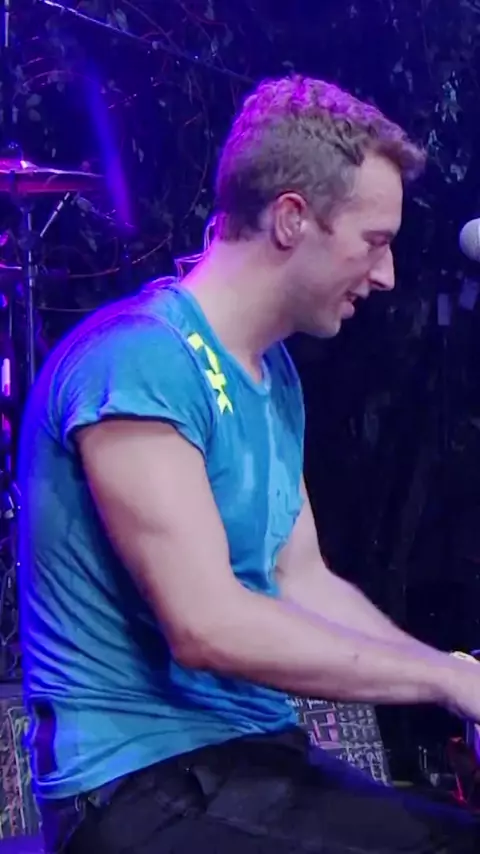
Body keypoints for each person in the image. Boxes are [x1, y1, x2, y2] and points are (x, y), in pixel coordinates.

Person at [19, 75, 480, 854]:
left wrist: (452, 673)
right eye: (374, 241)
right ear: (292, 219)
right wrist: (443, 681)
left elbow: (302, 581)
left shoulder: (272, 376)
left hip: (247, 760)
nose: (387, 275)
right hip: (137, 790)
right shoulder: (142, 359)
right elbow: (207, 625)